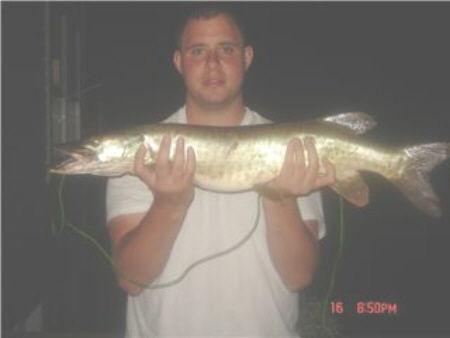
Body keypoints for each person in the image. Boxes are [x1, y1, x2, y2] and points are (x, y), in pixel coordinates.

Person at [106, 6, 336, 337]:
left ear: (247, 57)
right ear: (179, 62)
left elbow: (298, 276)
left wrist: (280, 196)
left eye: (226, 49)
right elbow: (130, 280)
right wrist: (169, 204)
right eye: (198, 51)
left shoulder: (291, 148)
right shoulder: (141, 155)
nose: (212, 63)